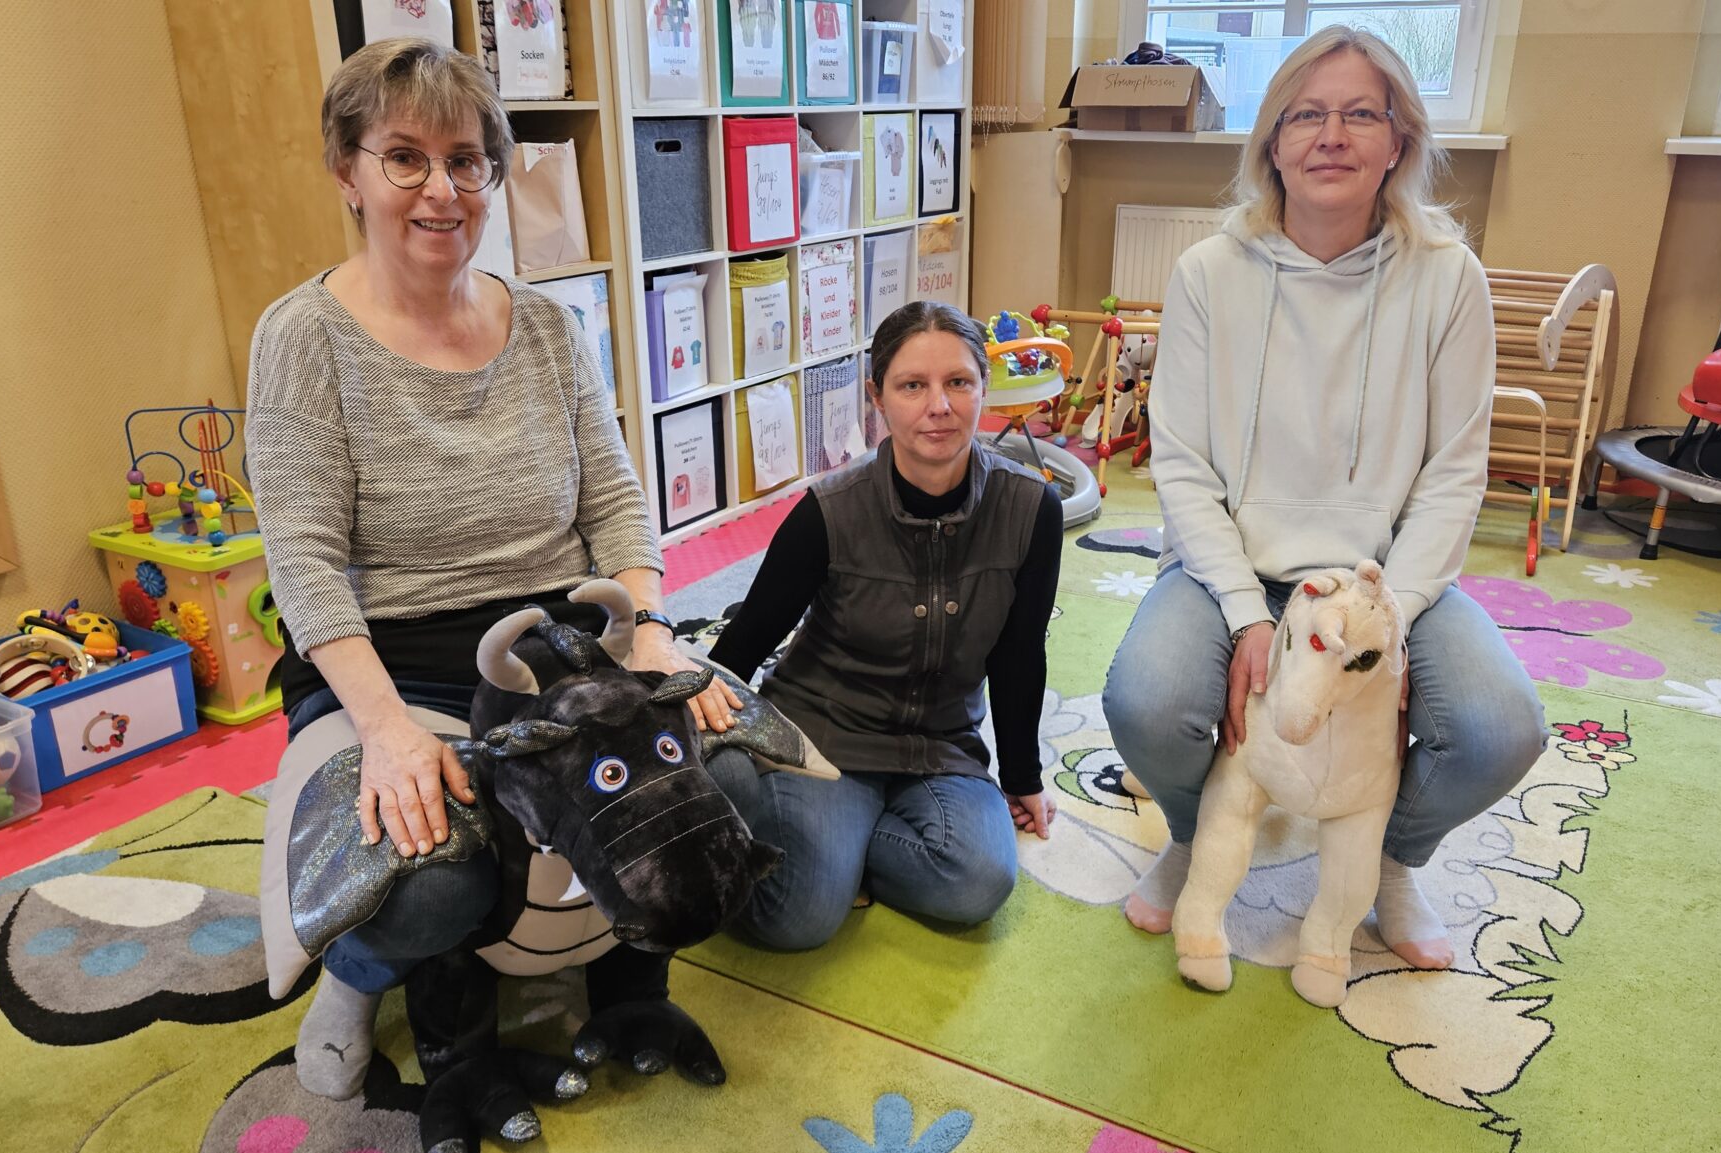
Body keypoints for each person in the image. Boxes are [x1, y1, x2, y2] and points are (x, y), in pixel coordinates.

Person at [245, 38, 737, 1101]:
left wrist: (652, 630)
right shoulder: (303, 337)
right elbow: (305, 566)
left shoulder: (548, 325)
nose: (442, 189)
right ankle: (354, 971)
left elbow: (615, 501)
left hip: (562, 649)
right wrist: (387, 732)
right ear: (347, 173)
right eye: (404, 157)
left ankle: (621, 979)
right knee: (430, 876)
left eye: (466, 160)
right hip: (394, 666)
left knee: (712, 783)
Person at [1101, 26, 1546, 972]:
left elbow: (1454, 474)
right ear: (1273, 141)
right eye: (1306, 115)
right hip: (1234, 571)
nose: (1331, 136)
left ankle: (1388, 858)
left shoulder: (1448, 277)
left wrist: (1392, 627)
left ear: (1399, 140)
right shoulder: (1208, 273)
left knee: (1500, 729)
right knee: (1147, 702)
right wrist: (1242, 614)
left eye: (1360, 115)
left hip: (1386, 582)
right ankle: (1197, 834)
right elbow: (1181, 465)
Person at [703, 301, 1064, 950]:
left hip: (941, 743)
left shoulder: (1032, 508)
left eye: (959, 382)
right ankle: (822, 845)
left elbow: (1019, 653)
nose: (939, 406)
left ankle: (847, 853)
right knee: (796, 919)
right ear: (878, 398)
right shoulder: (828, 512)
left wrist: (1023, 777)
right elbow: (744, 642)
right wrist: (706, 742)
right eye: (912, 385)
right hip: (826, 736)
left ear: (984, 388)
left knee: (978, 883)